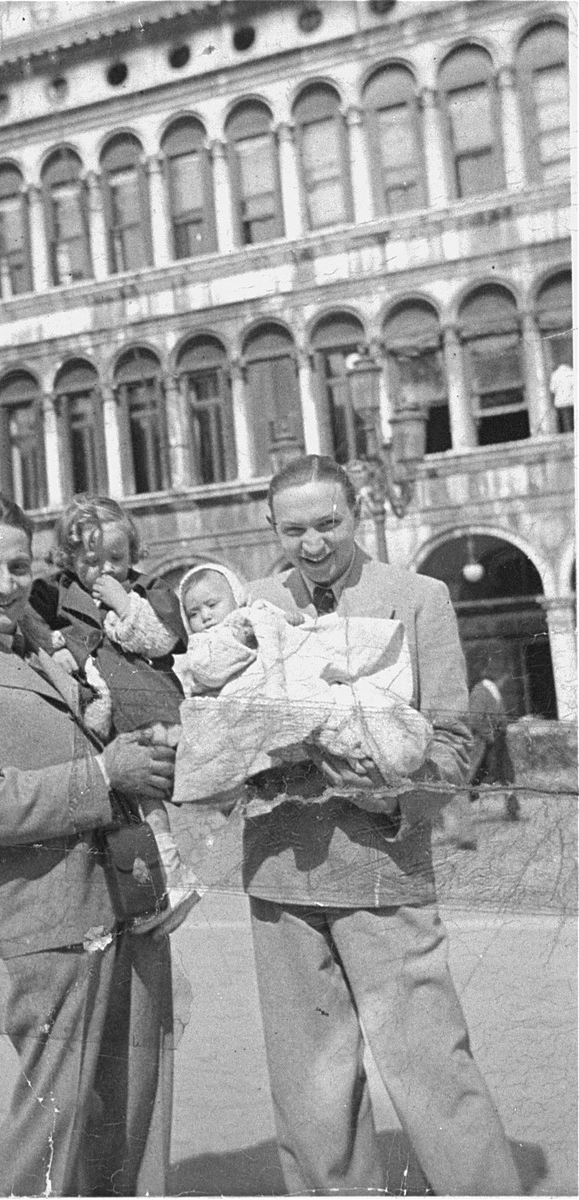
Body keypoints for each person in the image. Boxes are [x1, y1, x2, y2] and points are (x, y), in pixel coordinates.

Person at [239, 455, 521, 1196]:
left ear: (358, 513)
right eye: (293, 529)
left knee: (432, 1067)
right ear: (272, 528)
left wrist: (397, 800)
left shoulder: (418, 596)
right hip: (280, 871)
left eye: (328, 523)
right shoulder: (253, 603)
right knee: (310, 1086)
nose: (313, 544)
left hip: (384, 865)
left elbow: (456, 737)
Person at [0, 494, 176, 1197]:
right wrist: (107, 772)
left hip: (128, 895)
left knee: (135, 1105)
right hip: (51, 918)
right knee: (57, 1114)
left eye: (18, 566)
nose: (5, 583)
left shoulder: (43, 643)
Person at [29, 493, 199, 933]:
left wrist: (125, 604)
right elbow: (27, 622)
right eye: (90, 560)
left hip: (143, 703)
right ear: (68, 558)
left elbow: (163, 641)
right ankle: (152, 895)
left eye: (116, 558)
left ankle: (172, 875)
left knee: (146, 798)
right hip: (100, 711)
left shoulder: (148, 589)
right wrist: (56, 647)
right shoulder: (50, 594)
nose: (104, 569)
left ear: (133, 554)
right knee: (122, 806)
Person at [172, 563, 432, 806]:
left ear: (235, 596)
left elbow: (292, 631)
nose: (205, 616)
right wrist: (238, 642)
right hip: (253, 701)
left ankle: (387, 741)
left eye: (212, 604)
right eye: (193, 613)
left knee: (342, 705)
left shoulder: (258, 610)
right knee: (318, 731)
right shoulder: (202, 643)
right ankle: (359, 751)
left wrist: (290, 622)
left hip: (298, 684)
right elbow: (209, 669)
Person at [468, 664, 520, 822]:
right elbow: (475, 719)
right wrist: (489, 735)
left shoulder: (493, 691)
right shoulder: (480, 691)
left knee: (506, 773)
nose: (505, 682)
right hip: (486, 742)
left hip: (498, 740)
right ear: (498, 677)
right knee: (477, 776)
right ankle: (456, 813)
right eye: (504, 678)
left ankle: (512, 808)